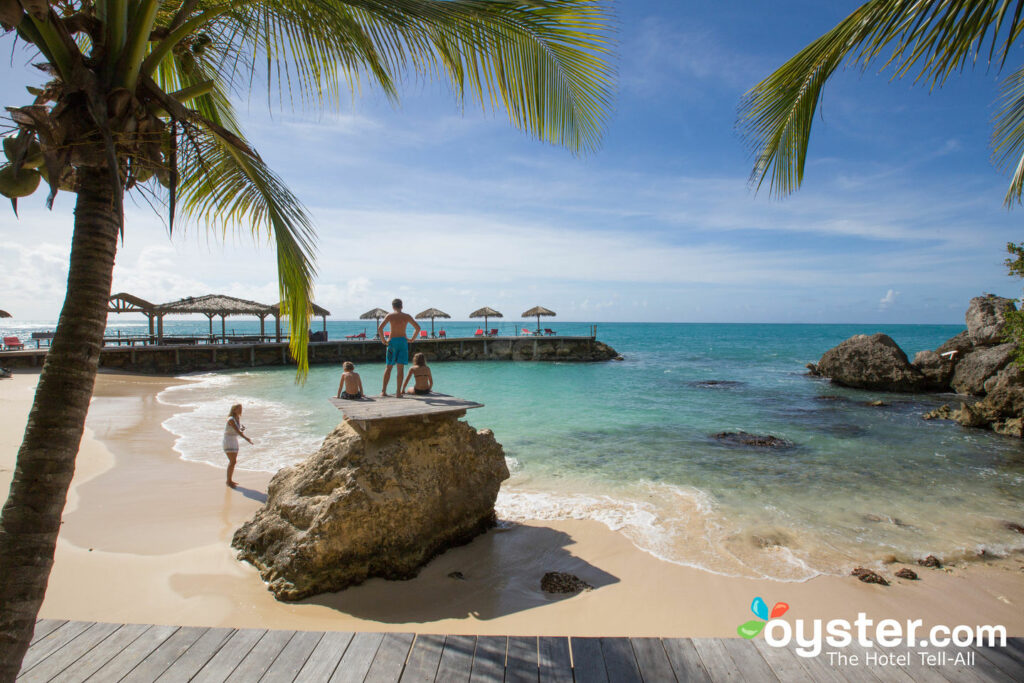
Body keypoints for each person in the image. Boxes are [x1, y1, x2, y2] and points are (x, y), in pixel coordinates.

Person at [377, 298, 421, 397]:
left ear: (393, 306)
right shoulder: (407, 316)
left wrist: (383, 340)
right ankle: (398, 392)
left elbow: (380, 328)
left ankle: (383, 391)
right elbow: (417, 328)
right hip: (403, 342)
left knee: (388, 367)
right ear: (401, 306)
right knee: (400, 369)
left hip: (392, 342)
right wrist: (412, 339)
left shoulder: (390, 316)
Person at [223, 404, 253, 488]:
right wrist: (246, 438)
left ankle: (229, 480)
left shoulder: (237, 418)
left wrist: (243, 429)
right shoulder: (231, 419)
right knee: (232, 461)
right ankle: (228, 481)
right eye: (238, 408)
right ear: (234, 409)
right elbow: (237, 431)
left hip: (234, 440)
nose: (240, 410)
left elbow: (239, 431)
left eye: (241, 408)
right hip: (228, 440)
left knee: (233, 461)